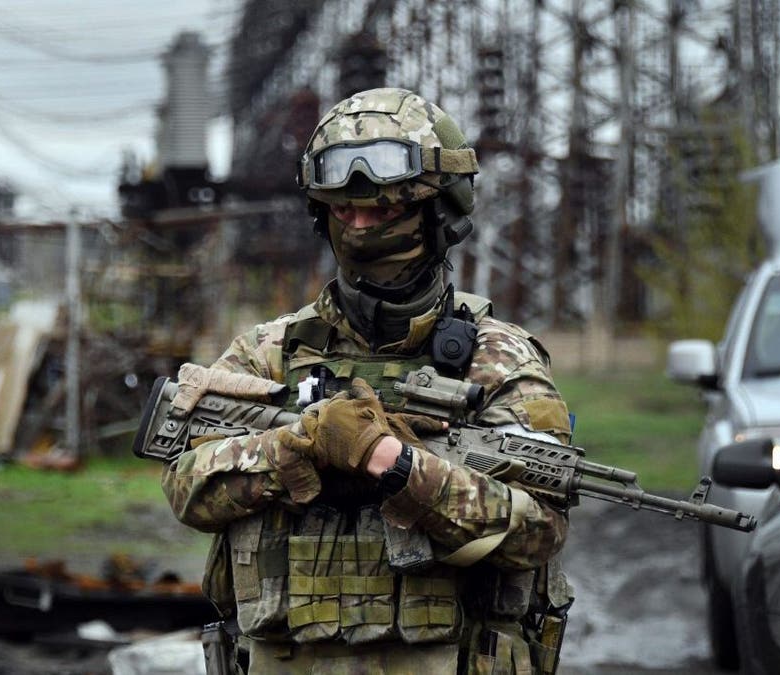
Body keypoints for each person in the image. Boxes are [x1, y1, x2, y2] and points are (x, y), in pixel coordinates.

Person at [161, 87, 574, 675]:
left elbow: (539, 529)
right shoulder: (269, 353)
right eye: (344, 211)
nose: (359, 227)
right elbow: (186, 485)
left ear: (439, 211)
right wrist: (296, 447)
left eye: (382, 212)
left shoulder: (499, 359)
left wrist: (396, 464)